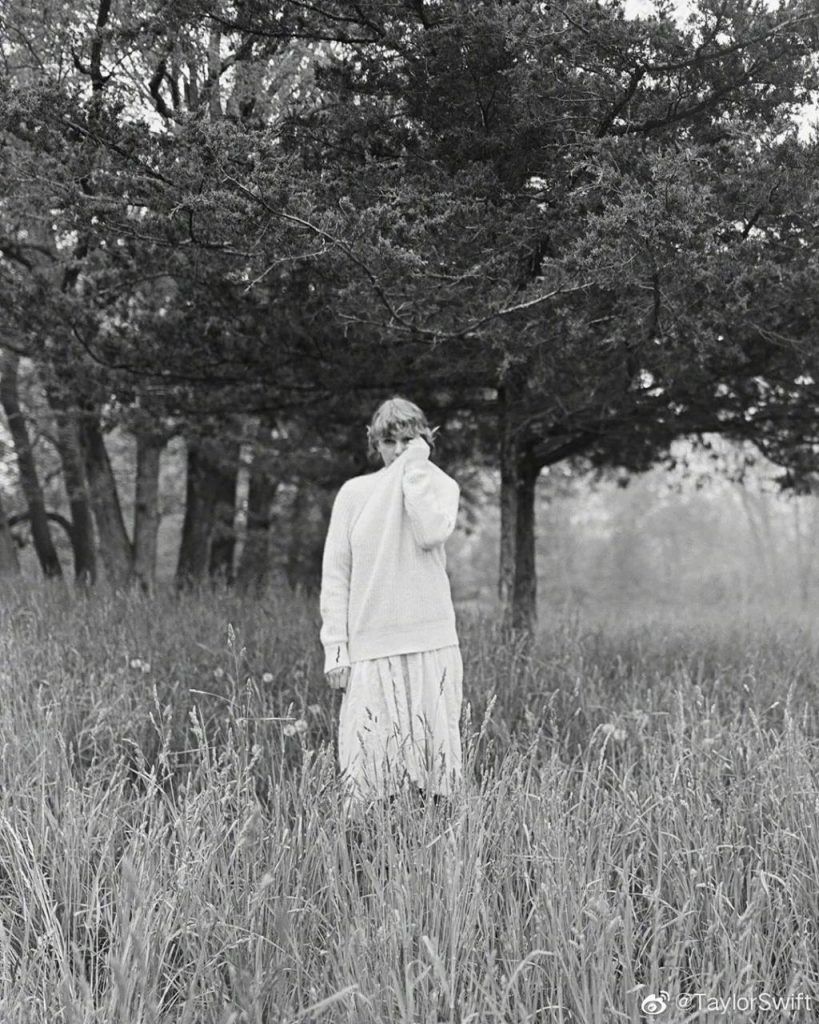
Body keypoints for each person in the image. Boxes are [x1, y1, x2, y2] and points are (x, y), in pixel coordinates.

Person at [319, 395, 464, 819]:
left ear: (425, 440)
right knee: (369, 776)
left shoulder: (440, 486)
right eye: (389, 442)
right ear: (375, 444)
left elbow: (429, 532)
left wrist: (416, 470)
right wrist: (336, 649)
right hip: (371, 646)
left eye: (409, 440)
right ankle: (372, 867)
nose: (398, 451)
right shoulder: (354, 493)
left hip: (430, 642)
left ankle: (433, 865)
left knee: (435, 775)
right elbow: (336, 576)